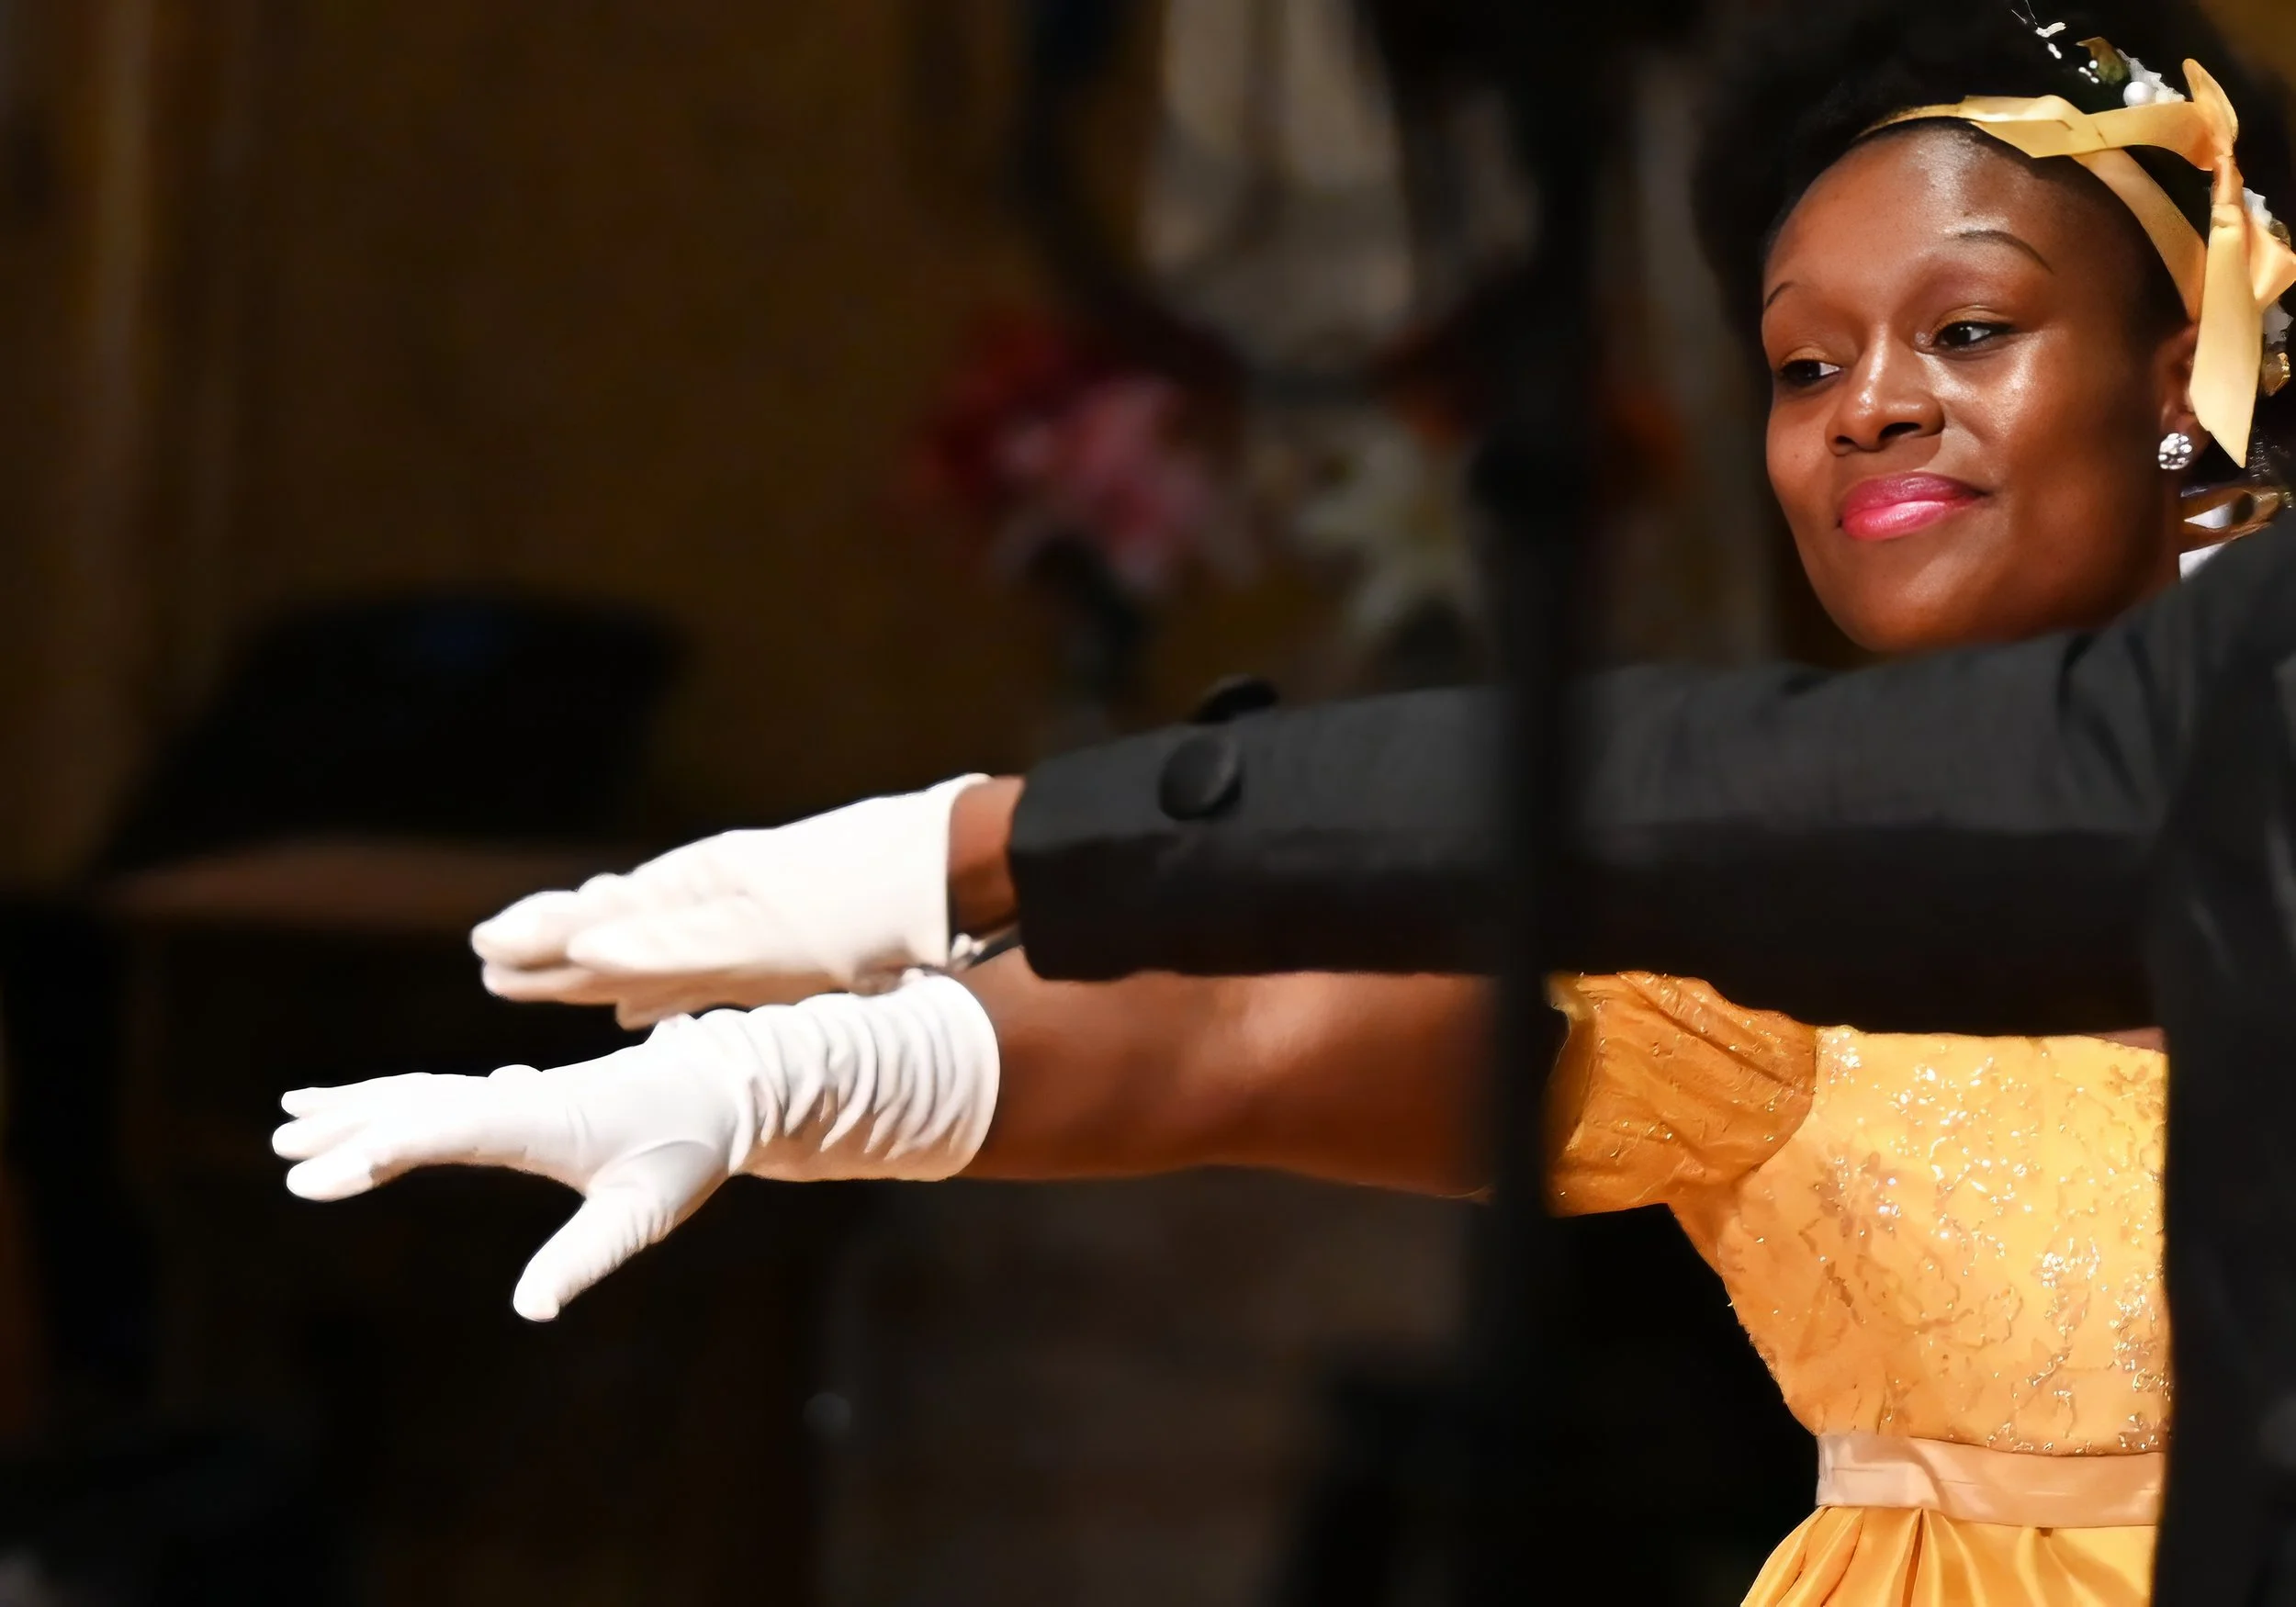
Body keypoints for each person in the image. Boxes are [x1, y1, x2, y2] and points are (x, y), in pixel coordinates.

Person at [276, 0, 2296, 1601]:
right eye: (1796, 365)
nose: (1865, 407)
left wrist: (957, 849)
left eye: (1967, 329)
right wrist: (796, 1072)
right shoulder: (1767, 924)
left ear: (2186, 369)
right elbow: (1245, 1023)